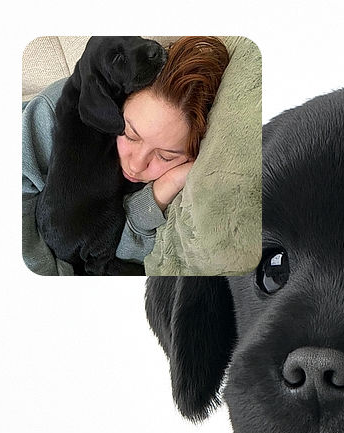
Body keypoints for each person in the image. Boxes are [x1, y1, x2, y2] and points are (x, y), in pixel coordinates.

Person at [22, 36, 231, 276]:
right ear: (116, 102)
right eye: (130, 135)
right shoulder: (53, 111)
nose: (137, 164)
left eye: (165, 156)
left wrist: (159, 194)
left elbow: (115, 251)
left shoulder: (187, 182)